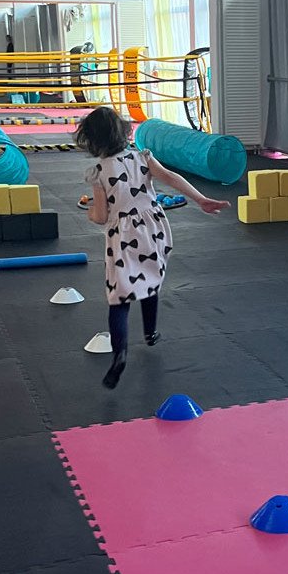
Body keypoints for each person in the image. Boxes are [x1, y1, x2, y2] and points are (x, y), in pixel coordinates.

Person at [76, 107, 230, 389]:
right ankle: (150, 333)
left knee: (119, 295)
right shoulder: (142, 156)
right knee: (149, 276)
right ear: (122, 131)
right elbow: (171, 178)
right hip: (153, 228)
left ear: (92, 140)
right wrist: (201, 199)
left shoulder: (98, 173)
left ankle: (120, 353)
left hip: (124, 236)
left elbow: (101, 216)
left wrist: (89, 213)